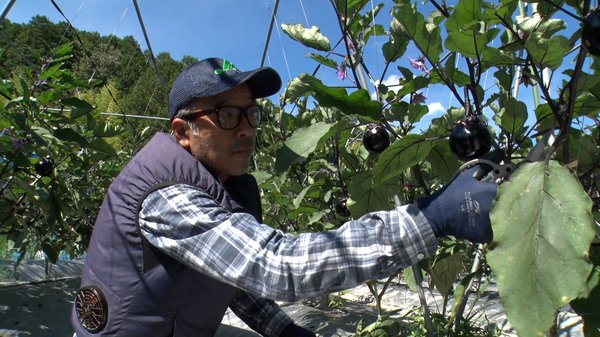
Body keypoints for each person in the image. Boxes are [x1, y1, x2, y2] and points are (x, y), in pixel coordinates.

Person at [71, 57, 497, 337]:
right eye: (226, 114)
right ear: (183, 132)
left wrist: (283, 329)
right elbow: (273, 264)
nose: (246, 128)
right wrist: (431, 217)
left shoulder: (222, 183)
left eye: (251, 113)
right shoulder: (168, 197)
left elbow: (230, 277)